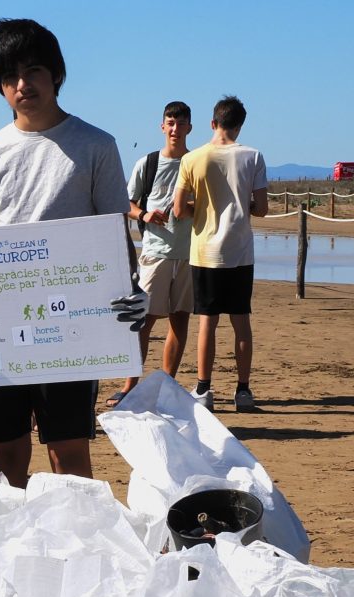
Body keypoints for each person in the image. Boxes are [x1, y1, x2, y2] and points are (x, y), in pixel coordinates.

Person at [0, 18, 143, 488]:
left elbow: (112, 232)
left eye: (34, 70)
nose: (23, 84)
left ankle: (81, 546)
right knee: (5, 452)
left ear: (56, 74)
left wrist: (132, 289)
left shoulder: (96, 145)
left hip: (71, 324)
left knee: (68, 451)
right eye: (9, 76)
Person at [172, 95, 268, 412]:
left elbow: (178, 209)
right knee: (241, 322)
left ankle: (204, 389)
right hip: (239, 251)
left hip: (204, 252)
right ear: (238, 126)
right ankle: (243, 390)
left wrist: (199, 207)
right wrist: (244, 205)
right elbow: (263, 208)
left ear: (213, 123)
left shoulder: (192, 159)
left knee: (207, 323)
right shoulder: (253, 156)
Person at [107, 101, 194, 408]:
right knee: (144, 321)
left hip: (189, 255)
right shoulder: (149, 162)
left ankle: (165, 386)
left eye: (180, 123)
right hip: (155, 253)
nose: (175, 129)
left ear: (189, 128)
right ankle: (130, 386)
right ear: (162, 126)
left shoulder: (195, 163)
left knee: (180, 321)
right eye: (170, 123)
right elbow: (126, 203)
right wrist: (144, 215)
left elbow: (209, 203)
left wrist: (192, 209)